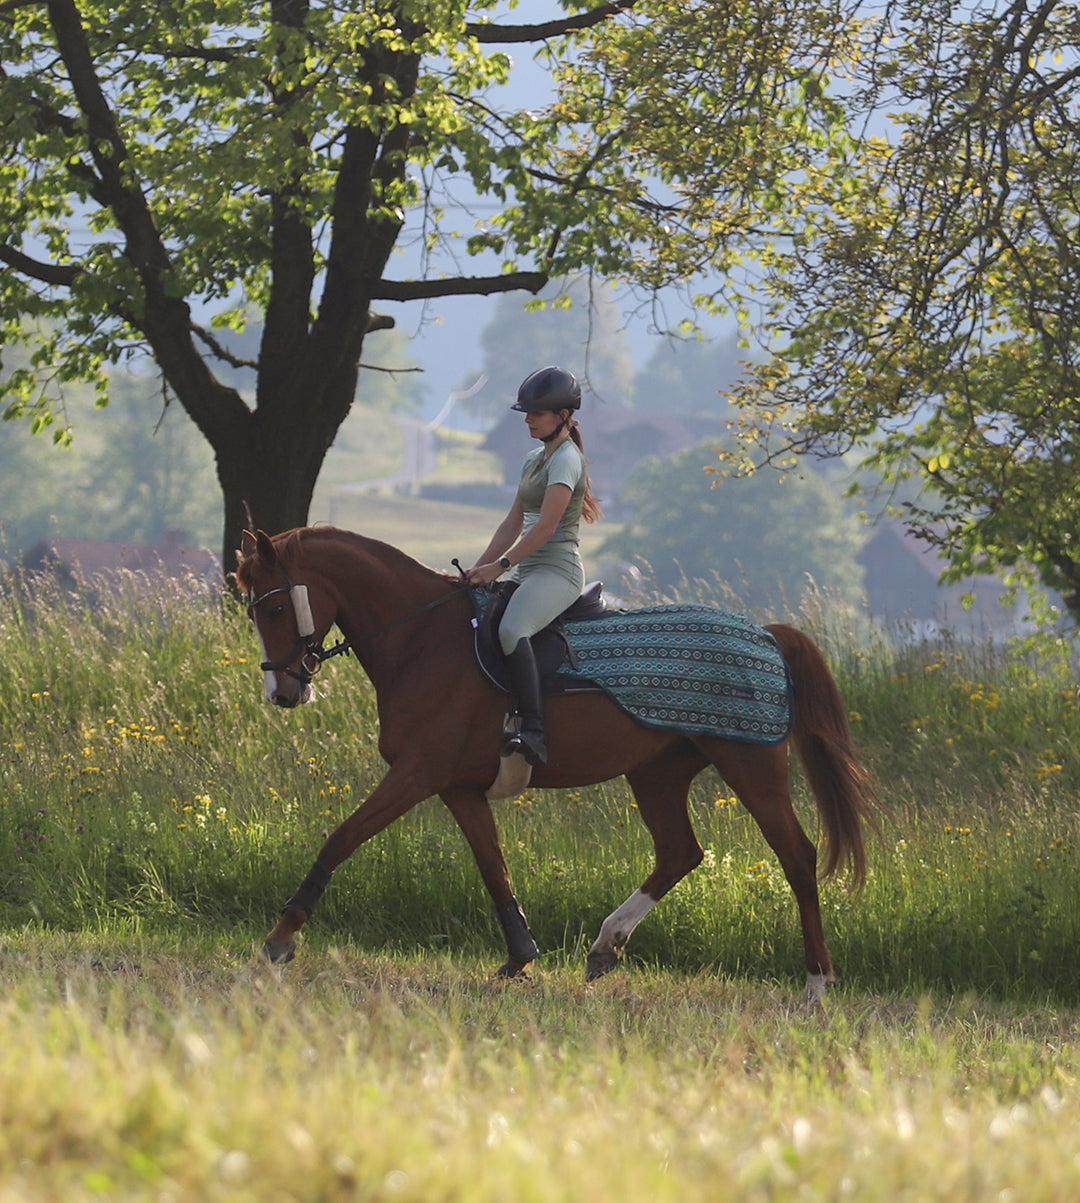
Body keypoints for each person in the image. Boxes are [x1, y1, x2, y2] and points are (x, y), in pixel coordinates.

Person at [465, 366, 602, 766]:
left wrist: (500, 567)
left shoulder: (567, 461)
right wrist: (476, 571)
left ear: (561, 415)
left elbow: (545, 528)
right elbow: (512, 523)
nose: (527, 419)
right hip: (527, 569)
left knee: (511, 629)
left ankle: (534, 731)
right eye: (526, 413)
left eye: (536, 413)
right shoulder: (532, 459)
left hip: (558, 573)